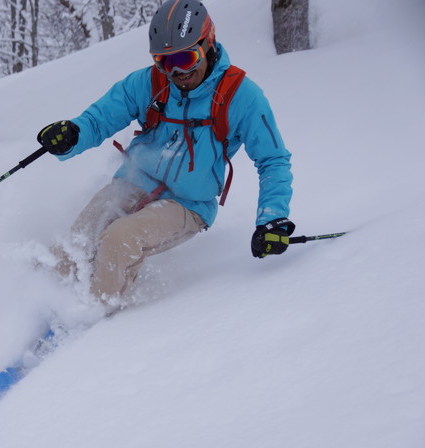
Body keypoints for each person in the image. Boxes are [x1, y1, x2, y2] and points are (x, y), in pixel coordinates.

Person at [37, 0, 294, 309]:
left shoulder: (240, 96)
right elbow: (99, 119)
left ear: (207, 43)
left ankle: (91, 312)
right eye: (164, 61)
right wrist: (72, 134)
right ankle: (42, 304)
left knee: (119, 239)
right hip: (134, 181)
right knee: (80, 236)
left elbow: (273, 160)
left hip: (187, 203)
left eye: (186, 58)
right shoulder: (149, 82)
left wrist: (272, 219)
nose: (177, 71)